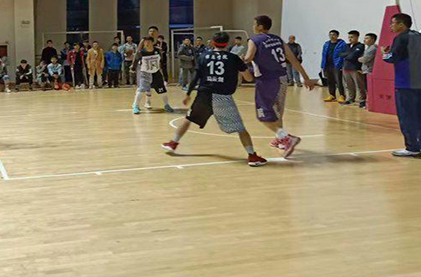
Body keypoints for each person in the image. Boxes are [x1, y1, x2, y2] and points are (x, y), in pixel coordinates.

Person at [162, 31, 267, 167]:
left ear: (212, 42)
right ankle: (252, 155)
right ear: (227, 43)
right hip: (222, 97)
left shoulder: (204, 56)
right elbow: (248, 78)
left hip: (204, 94)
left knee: (188, 119)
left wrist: (188, 93)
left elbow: (196, 77)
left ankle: (173, 142)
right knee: (240, 129)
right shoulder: (233, 58)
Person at [245, 15, 315, 158]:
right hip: (282, 78)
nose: (253, 26)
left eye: (254, 24)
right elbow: (293, 59)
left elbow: (248, 58)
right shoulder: (277, 39)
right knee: (277, 112)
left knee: (263, 115)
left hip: (266, 80)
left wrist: (235, 60)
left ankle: (286, 137)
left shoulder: (254, 40)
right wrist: (306, 78)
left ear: (260, 26)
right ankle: (281, 139)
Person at [382, 13, 421, 158]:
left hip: (406, 83)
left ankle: (412, 148)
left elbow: (392, 57)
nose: (391, 26)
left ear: (401, 24)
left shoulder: (401, 38)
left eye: (393, 23)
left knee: (406, 116)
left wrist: (384, 54)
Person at [131, 36, 173, 114]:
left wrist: (164, 74)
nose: (147, 43)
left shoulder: (158, 51)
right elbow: (136, 61)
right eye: (145, 42)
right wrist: (133, 68)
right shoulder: (141, 52)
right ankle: (136, 105)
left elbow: (161, 61)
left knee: (162, 90)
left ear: (152, 43)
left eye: (149, 42)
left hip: (156, 73)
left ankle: (167, 105)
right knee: (141, 90)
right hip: (145, 73)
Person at [339, 30, 366, 106]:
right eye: (349, 37)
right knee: (348, 85)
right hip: (346, 67)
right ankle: (350, 99)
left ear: (357, 37)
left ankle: (362, 100)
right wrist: (349, 54)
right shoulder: (346, 46)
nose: (350, 39)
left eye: (352, 37)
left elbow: (353, 56)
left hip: (355, 68)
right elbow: (340, 54)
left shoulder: (360, 46)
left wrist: (347, 55)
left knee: (359, 85)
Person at [321, 30, 347, 103]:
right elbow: (323, 55)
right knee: (330, 81)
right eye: (330, 34)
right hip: (327, 65)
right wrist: (322, 65)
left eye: (333, 35)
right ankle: (332, 95)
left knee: (339, 81)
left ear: (337, 36)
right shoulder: (326, 44)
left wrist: (342, 64)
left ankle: (342, 95)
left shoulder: (342, 44)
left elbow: (344, 55)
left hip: (337, 65)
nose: (332, 36)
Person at [358, 33, 378, 108]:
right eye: (364, 38)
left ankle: (370, 104)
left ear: (372, 39)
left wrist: (359, 59)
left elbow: (365, 59)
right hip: (366, 70)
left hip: (369, 71)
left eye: (367, 38)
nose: (364, 40)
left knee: (369, 88)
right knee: (366, 88)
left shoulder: (373, 48)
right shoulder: (369, 48)